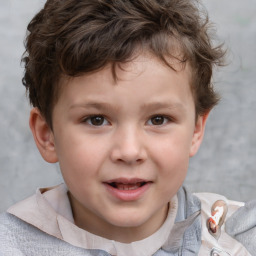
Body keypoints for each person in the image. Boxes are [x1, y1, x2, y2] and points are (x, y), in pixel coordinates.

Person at [0, 0, 255, 255]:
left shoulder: (237, 240)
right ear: (48, 136)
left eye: (158, 119)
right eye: (96, 120)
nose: (130, 151)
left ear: (196, 130)